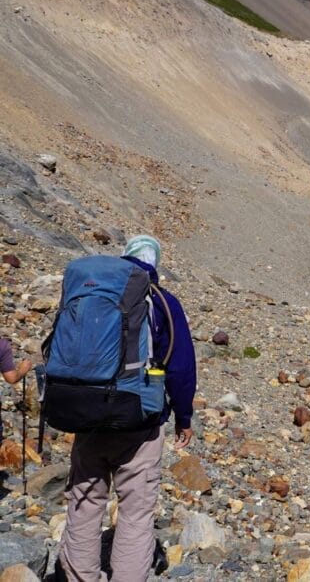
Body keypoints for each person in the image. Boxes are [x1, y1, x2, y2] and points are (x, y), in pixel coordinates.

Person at [59, 235, 197, 581]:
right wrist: (184, 417)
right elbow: (179, 367)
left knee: (84, 503)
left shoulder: (91, 292)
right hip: (139, 420)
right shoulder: (161, 301)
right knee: (135, 513)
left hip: (86, 413)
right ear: (156, 263)